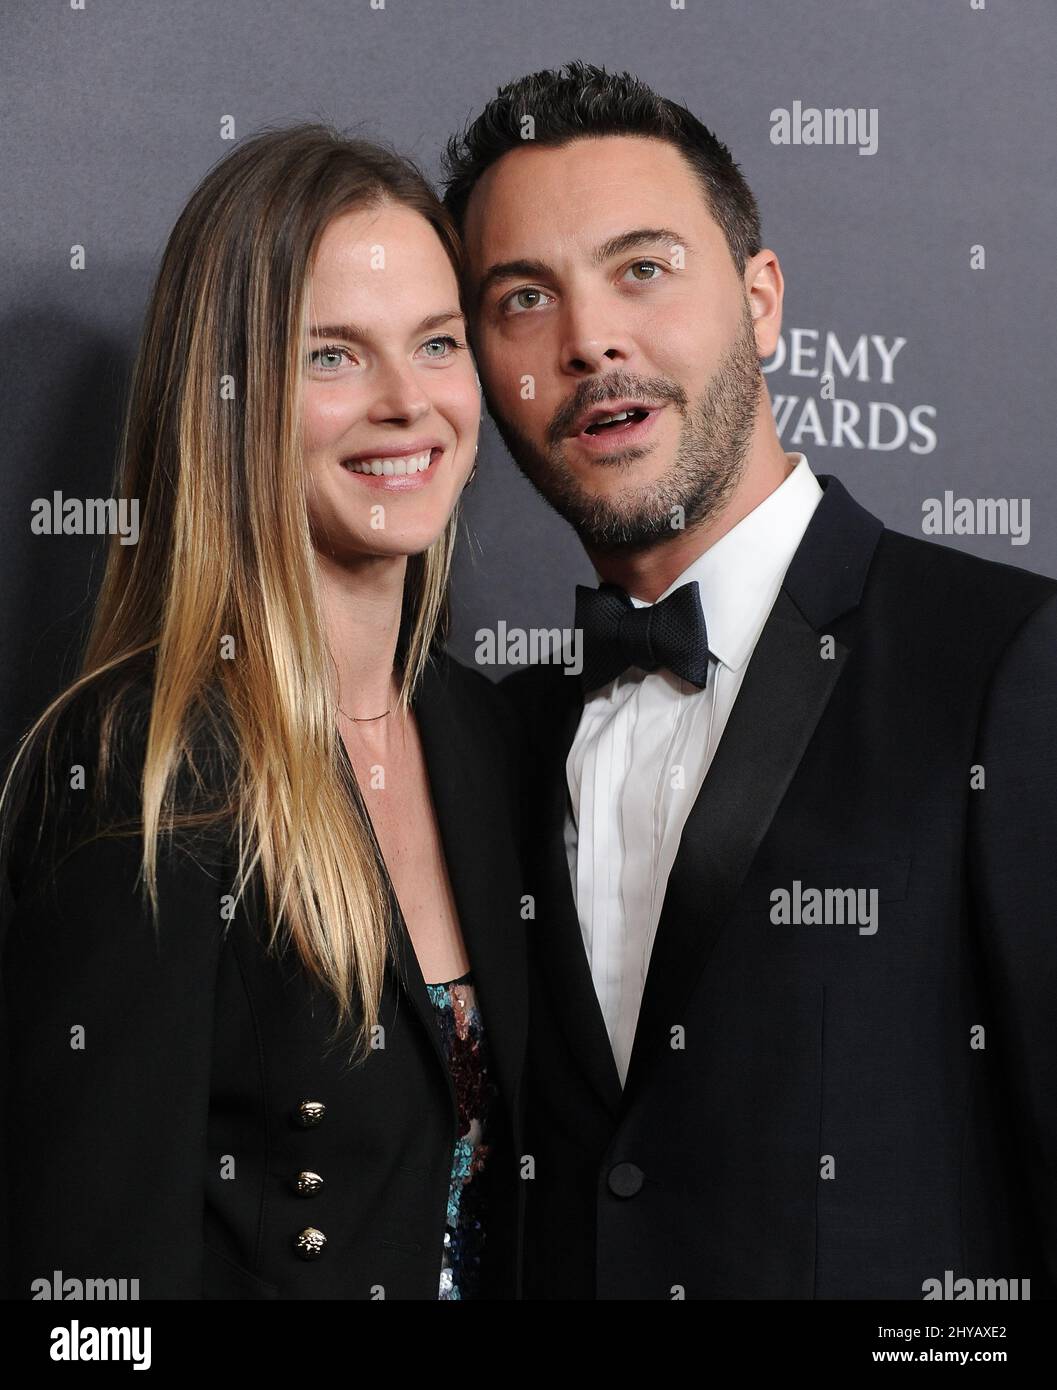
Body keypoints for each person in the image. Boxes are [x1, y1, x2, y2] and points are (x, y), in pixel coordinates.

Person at [440, 61, 1057, 1299]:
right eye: (523, 297)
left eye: (643, 268)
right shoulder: (489, 741)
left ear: (762, 300)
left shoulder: (1007, 661)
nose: (591, 337)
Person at [1, 123, 526, 1301]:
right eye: (332, 356)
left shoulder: (488, 740)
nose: (407, 403)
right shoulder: (147, 763)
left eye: (436, 344)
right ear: (228, 396)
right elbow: (85, 1303)